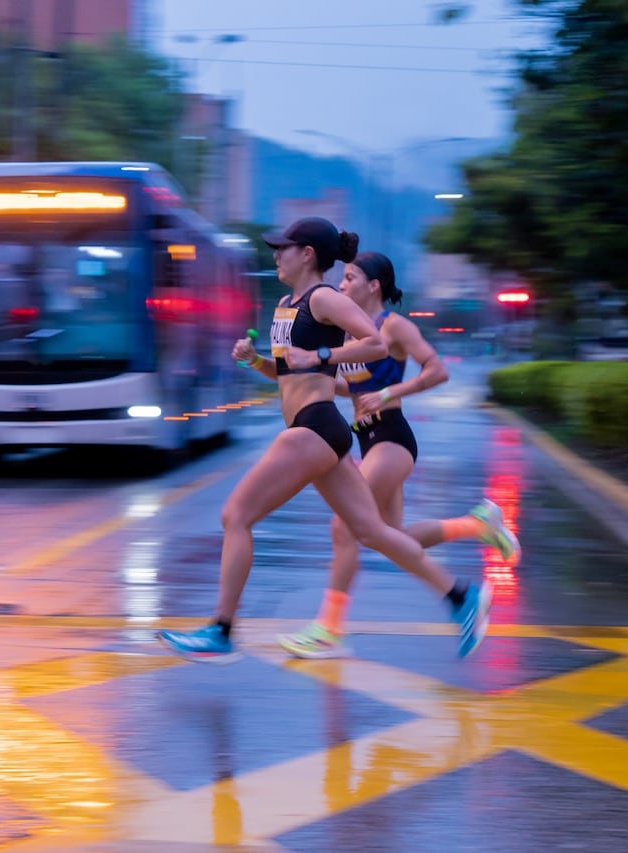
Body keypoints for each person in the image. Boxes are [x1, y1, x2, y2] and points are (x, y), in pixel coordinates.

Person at [156, 217, 492, 664]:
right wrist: (254, 360)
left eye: (283, 248)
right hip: (320, 429)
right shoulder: (286, 304)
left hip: (313, 426)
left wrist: (321, 353)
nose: (276, 255)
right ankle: (461, 597)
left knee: (235, 515)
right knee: (371, 531)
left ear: (307, 254)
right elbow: (287, 372)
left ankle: (221, 630)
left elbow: (374, 343)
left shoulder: (324, 298)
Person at [275, 251, 522, 659]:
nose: (341, 285)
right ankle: (476, 525)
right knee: (388, 538)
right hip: (366, 438)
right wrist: (274, 366)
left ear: (373, 286)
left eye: (350, 278)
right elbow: (346, 387)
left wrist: (389, 393)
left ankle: (328, 629)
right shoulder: (348, 332)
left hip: (392, 437)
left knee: (344, 527)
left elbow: (437, 370)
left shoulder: (393, 327)